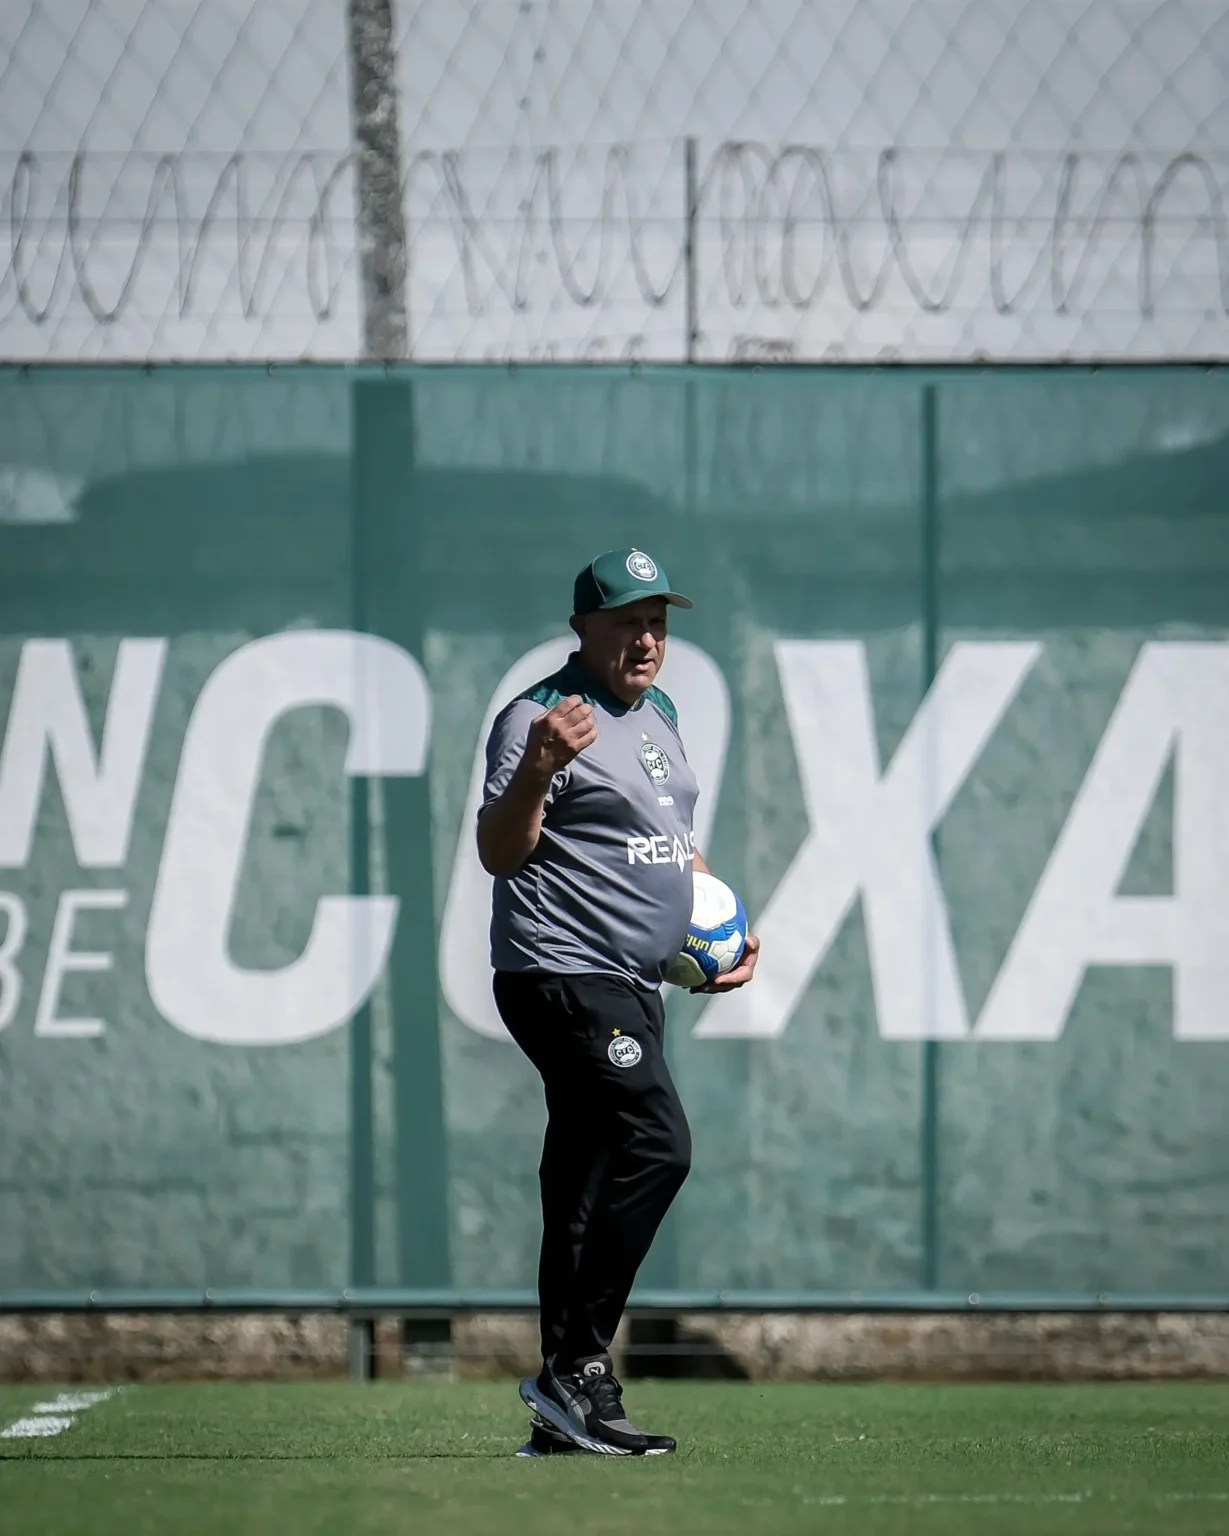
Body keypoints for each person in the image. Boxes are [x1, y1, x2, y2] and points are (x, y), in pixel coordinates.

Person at [477, 547, 760, 1457]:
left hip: (633, 985)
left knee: (582, 1182)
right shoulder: (539, 718)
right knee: (657, 1143)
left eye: (658, 623)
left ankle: (561, 1411)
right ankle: (579, 1368)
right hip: (560, 973)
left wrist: (716, 924)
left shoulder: (661, 713)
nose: (646, 639)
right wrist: (538, 766)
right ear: (581, 631)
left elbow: (669, 841)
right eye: (626, 622)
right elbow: (498, 850)